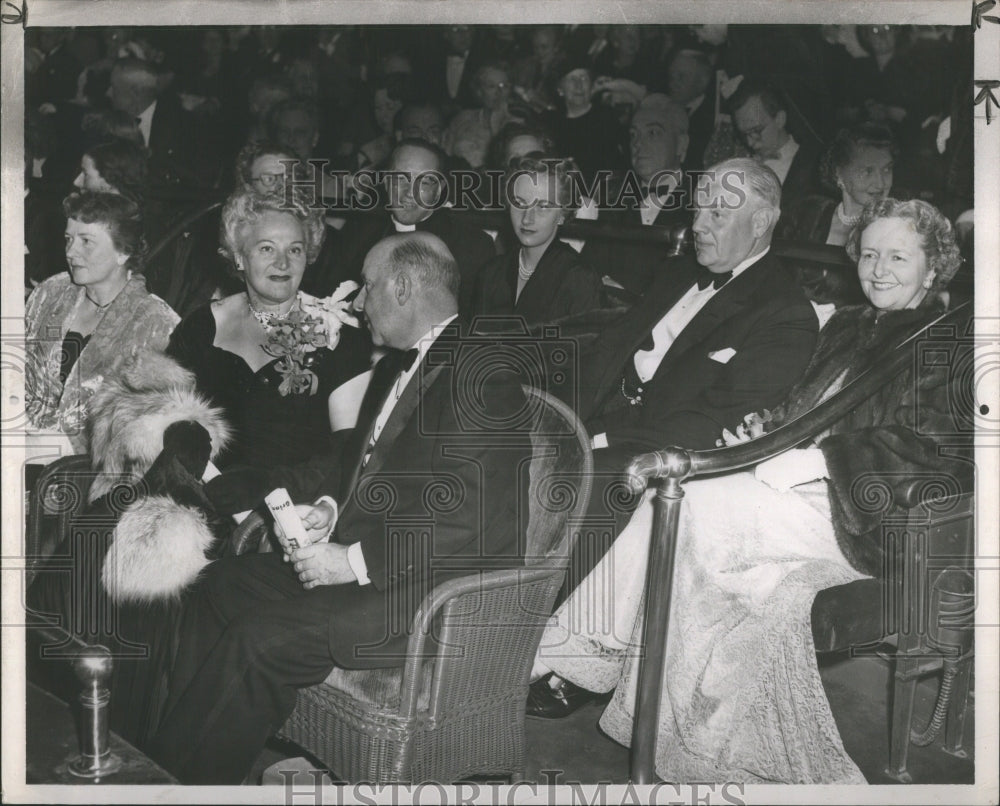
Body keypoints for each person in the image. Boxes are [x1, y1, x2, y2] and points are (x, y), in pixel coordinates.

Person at [531, 198, 970, 785]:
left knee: (688, 503)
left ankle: (582, 654)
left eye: (897, 256)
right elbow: (805, 409)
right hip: (791, 490)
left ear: (934, 266)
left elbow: (935, 456)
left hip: (864, 518)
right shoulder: (846, 323)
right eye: (868, 254)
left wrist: (822, 461)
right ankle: (673, 707)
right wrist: (766, 429)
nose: (879, 269)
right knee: (680, 507)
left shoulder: (948, 340)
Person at [147, 232, 533, 784]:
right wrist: (330, 507)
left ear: (402, 288)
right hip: (370, 565)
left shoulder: (483, 377)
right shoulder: (394, 367)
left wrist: (350, 560)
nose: (357, 302)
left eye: (370, 287)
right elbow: (360, 465)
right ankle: (174, 769)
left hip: (424, 595)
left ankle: (177, 789)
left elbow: (463, 519)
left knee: (259, 639)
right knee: (215, 585)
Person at [165, 189, 372, 471]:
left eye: (295, 249)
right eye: (267, 248)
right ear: (239, 256)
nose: (283, 263)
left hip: (292, 506)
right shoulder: (202, 326)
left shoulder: (338, 337)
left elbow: (349, 455)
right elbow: (162, 418)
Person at [25, 191, 179, 455]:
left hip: (82, 467)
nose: (71, 252)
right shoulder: (51, 292)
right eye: (68, 239)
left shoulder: (156, 323)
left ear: (123, 252)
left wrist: (50, 447)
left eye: (86, 241)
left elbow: (141, 432)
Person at [315, 139, 496, 314]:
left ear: (439, 191)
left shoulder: (472, 246)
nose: (410, 192)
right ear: (385, 181)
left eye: (424, 182)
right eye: (400, 178)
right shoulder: (358, 234)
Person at [580, 93, 692, 295]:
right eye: (633, 135)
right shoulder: (612, 200)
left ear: (682, 145)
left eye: (653, 133)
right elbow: (588, 270)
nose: (638, 144)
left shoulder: (701, 206)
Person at [475, 155, 604, 325]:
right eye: (519, 203)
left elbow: (587, 349)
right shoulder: (491, 273)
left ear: (563, 215)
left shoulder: (579, 278)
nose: (527, 218)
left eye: (543, 206)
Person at [780, 123, 897, 247]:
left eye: (886, 169)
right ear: (838, 173)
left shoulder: (896, 227)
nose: (880, 183)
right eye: (867, 171)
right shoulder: (808, 216)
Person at [728, 79, 822, 206]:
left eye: (756, 131)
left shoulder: (815, 166)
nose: (750, 143)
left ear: (780, 119)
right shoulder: (740, 166)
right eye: (744, 135)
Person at [543, 57, 626, 184]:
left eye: (584, 78)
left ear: (591, 87)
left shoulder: (606, 118)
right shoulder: (551, 123)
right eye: (572, 79)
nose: (579, 85)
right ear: (560, 89)